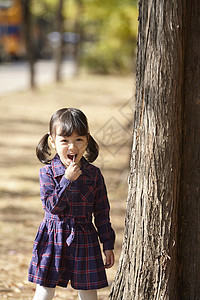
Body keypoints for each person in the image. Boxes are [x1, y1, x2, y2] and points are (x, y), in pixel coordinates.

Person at [28, 108, 115, 300]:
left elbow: (102, 212)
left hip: (85, 237)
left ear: (87, 140)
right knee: (44, 289)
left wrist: (107, 244)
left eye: (79, 140)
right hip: (53, 237)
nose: (72, 147)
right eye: (64, 141)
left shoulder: (93, 174)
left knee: (88, 291)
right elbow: (52, 206)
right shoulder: (47, 173)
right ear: (52, 141)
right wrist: (66, 180)